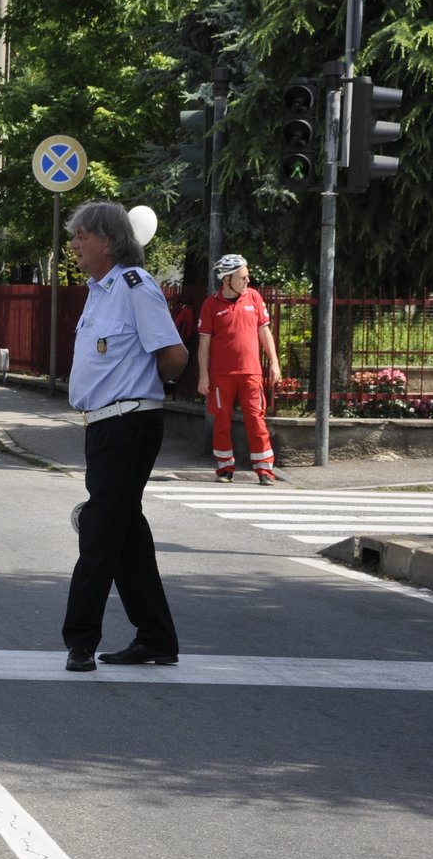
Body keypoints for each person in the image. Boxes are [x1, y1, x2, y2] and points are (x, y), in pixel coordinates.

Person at [60, 200, 189, 673]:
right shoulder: (100, 290)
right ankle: (156, 637)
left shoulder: (136, 286)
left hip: (129, 422)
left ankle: (79, 641)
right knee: (125, 533)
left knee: (98, 529)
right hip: (104, 424)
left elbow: (174, 354)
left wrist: (146, 390)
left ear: (109, 242)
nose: (73, 243)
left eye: (81, 235)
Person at [197, 253, 281, 485]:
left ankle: (264, 470)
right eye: (242, 277)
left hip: (251, 372)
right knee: (221, 421)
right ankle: (225, 468)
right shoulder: (211, 305)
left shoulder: (254, 298)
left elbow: (264, 332)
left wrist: (274, 362)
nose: (247, 280)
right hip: (221, 375)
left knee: (256, 419)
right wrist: (203, 376)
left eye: (247, 276)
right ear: (226, 280)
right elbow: (204, 344)